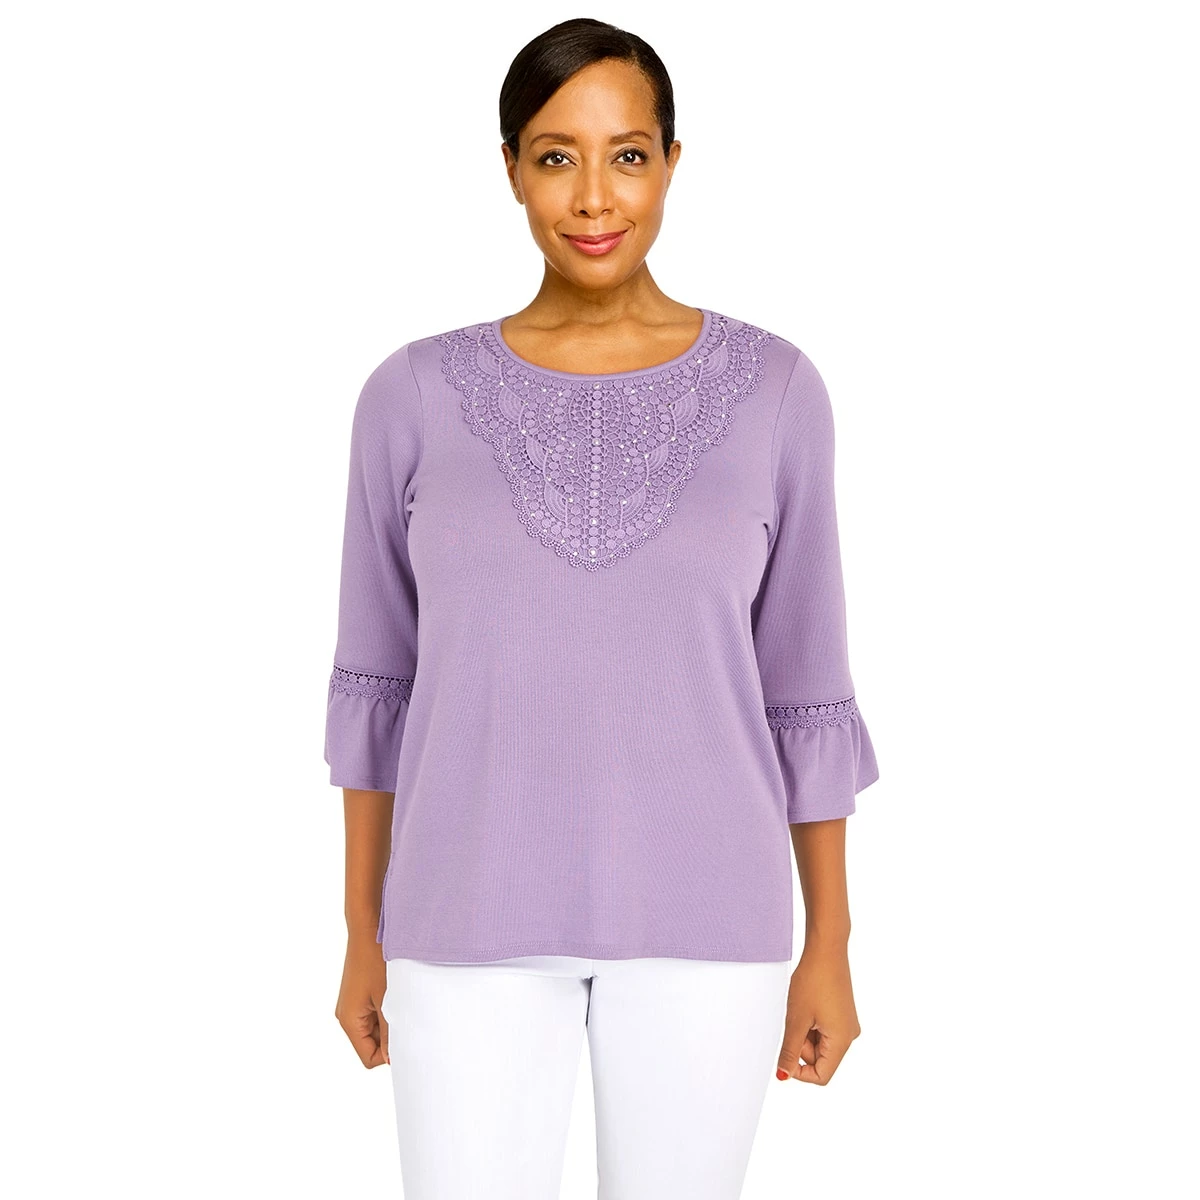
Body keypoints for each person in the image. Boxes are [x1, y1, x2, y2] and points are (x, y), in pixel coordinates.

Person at [326, 17, 880, 1200]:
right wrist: (361, 931)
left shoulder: (777, 392)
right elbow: (377, 688)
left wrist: (830, 942)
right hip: (462, 921)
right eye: (554, 156)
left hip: (710, 924)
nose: (593, 197)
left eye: (627, 155)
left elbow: (805, 689)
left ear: (673, 162)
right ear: (510, 169)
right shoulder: (409, 397)